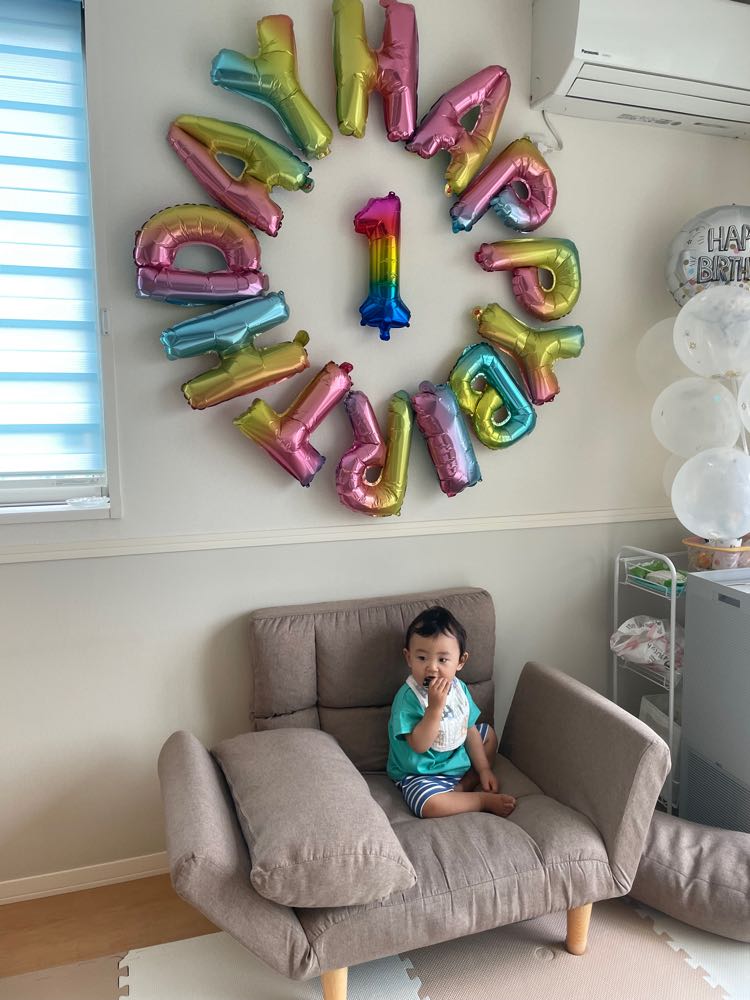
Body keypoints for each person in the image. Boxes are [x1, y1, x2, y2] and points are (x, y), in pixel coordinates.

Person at [387, 605, 517, 819]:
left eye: (442, 660)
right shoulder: (408, 698)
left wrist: (484, 769)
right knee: (427, 805)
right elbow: (419, 745)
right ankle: (479, 800)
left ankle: (464, 785)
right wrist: (434, 709)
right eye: (422, 658)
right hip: (421, 772)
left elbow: (469, 729)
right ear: (408, 658)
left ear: (460, 662)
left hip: (456, 757)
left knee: (488, 735)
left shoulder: (459, 689)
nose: (432, 668)